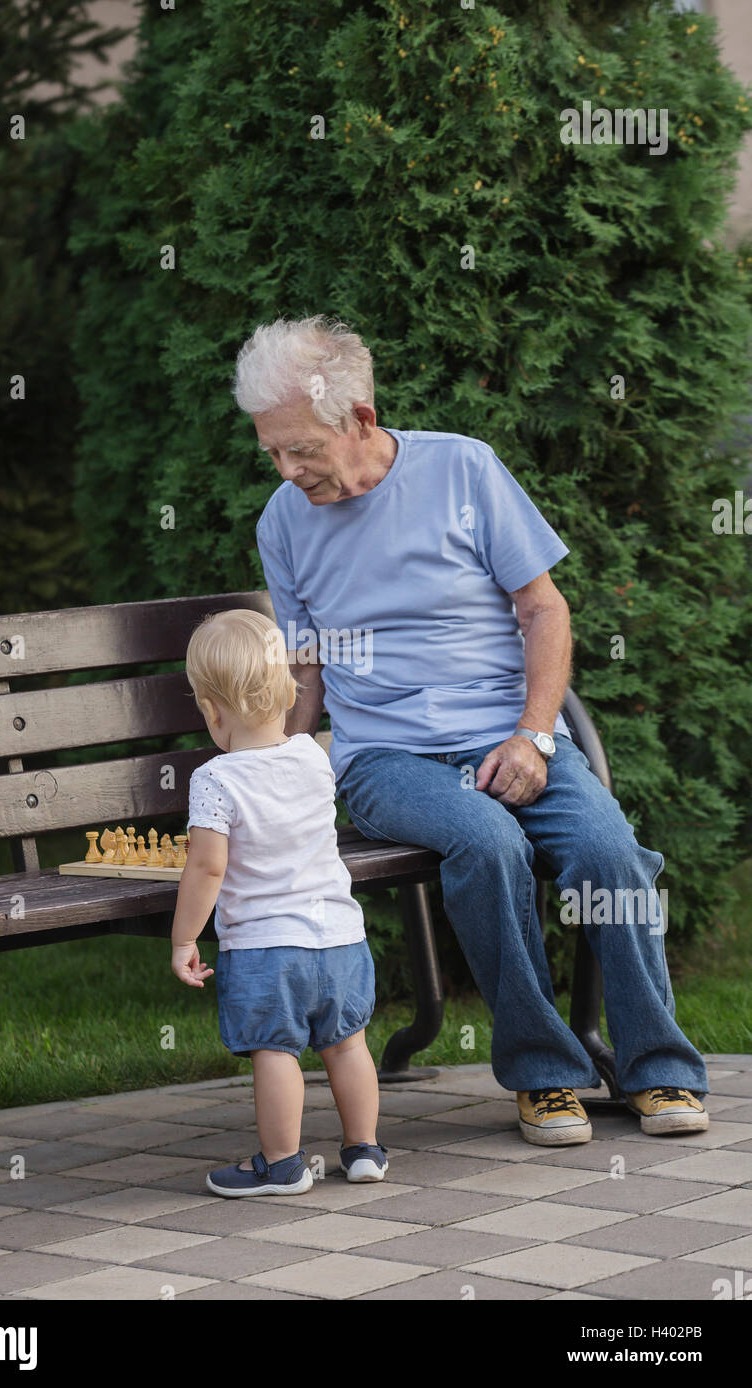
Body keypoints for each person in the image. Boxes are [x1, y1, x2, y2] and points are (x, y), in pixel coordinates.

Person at [235, 313, 710, 1148]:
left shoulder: (463, 468)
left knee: (610, 854)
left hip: (515, 734)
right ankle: (544, 1073)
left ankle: (658, 1066)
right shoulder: (283, 521)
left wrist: (534, 735)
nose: (285, 469)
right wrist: (273, 775)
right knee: (486, 844)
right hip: (388, 756)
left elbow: (543, 608)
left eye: (299, 448)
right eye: (271, 450)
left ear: (361, 420)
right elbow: (305, 671)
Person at [170, 607, 389, 1196]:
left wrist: (185, 938)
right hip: (341, 938)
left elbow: (207, 866)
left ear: (212, 712)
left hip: (269, 949)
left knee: (275, 1051)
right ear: (288, 694)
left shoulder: (216, 780)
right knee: (347, 1045)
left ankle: (282, 1163)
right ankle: (364, 1150)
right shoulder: (313, 757)